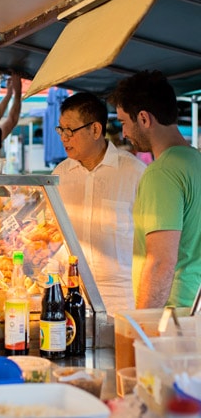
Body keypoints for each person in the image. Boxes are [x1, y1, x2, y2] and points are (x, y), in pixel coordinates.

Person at [109, 70, 201, 309]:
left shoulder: (162, 173)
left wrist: (142, 328)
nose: (124, 133)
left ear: (143, 118)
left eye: (123, 123)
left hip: (174, 318)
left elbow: (161, 262)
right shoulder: (195, 161)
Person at [52, 93, 146, 316]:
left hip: (122, 301)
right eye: (61, 130)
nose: (63, 138)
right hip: (72, 297)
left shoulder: (134, 173)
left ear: (95, 130)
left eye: (70, 131)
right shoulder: (60, 175)